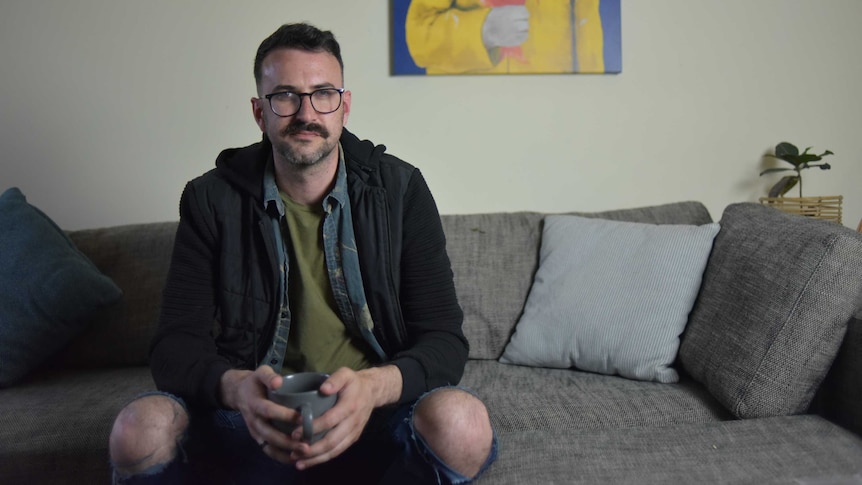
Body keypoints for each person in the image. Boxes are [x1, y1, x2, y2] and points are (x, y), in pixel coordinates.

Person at [108, 22, 497, 485]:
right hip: (252, 421)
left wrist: (373, 388)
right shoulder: (210, 200)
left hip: (374, 418)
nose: (306, 113)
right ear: (260, 113)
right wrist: (236, 390)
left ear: (344, 106)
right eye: (286, 96)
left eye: (323, 94)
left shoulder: (401, 189)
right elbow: (173, 347)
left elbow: (444, 341)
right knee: (138, 429)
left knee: (462, 424)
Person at [405, 0, 607, 74]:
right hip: (464, 105)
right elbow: (419, 36)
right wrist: (483, 31)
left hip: (551, 104)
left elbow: (587, 41)